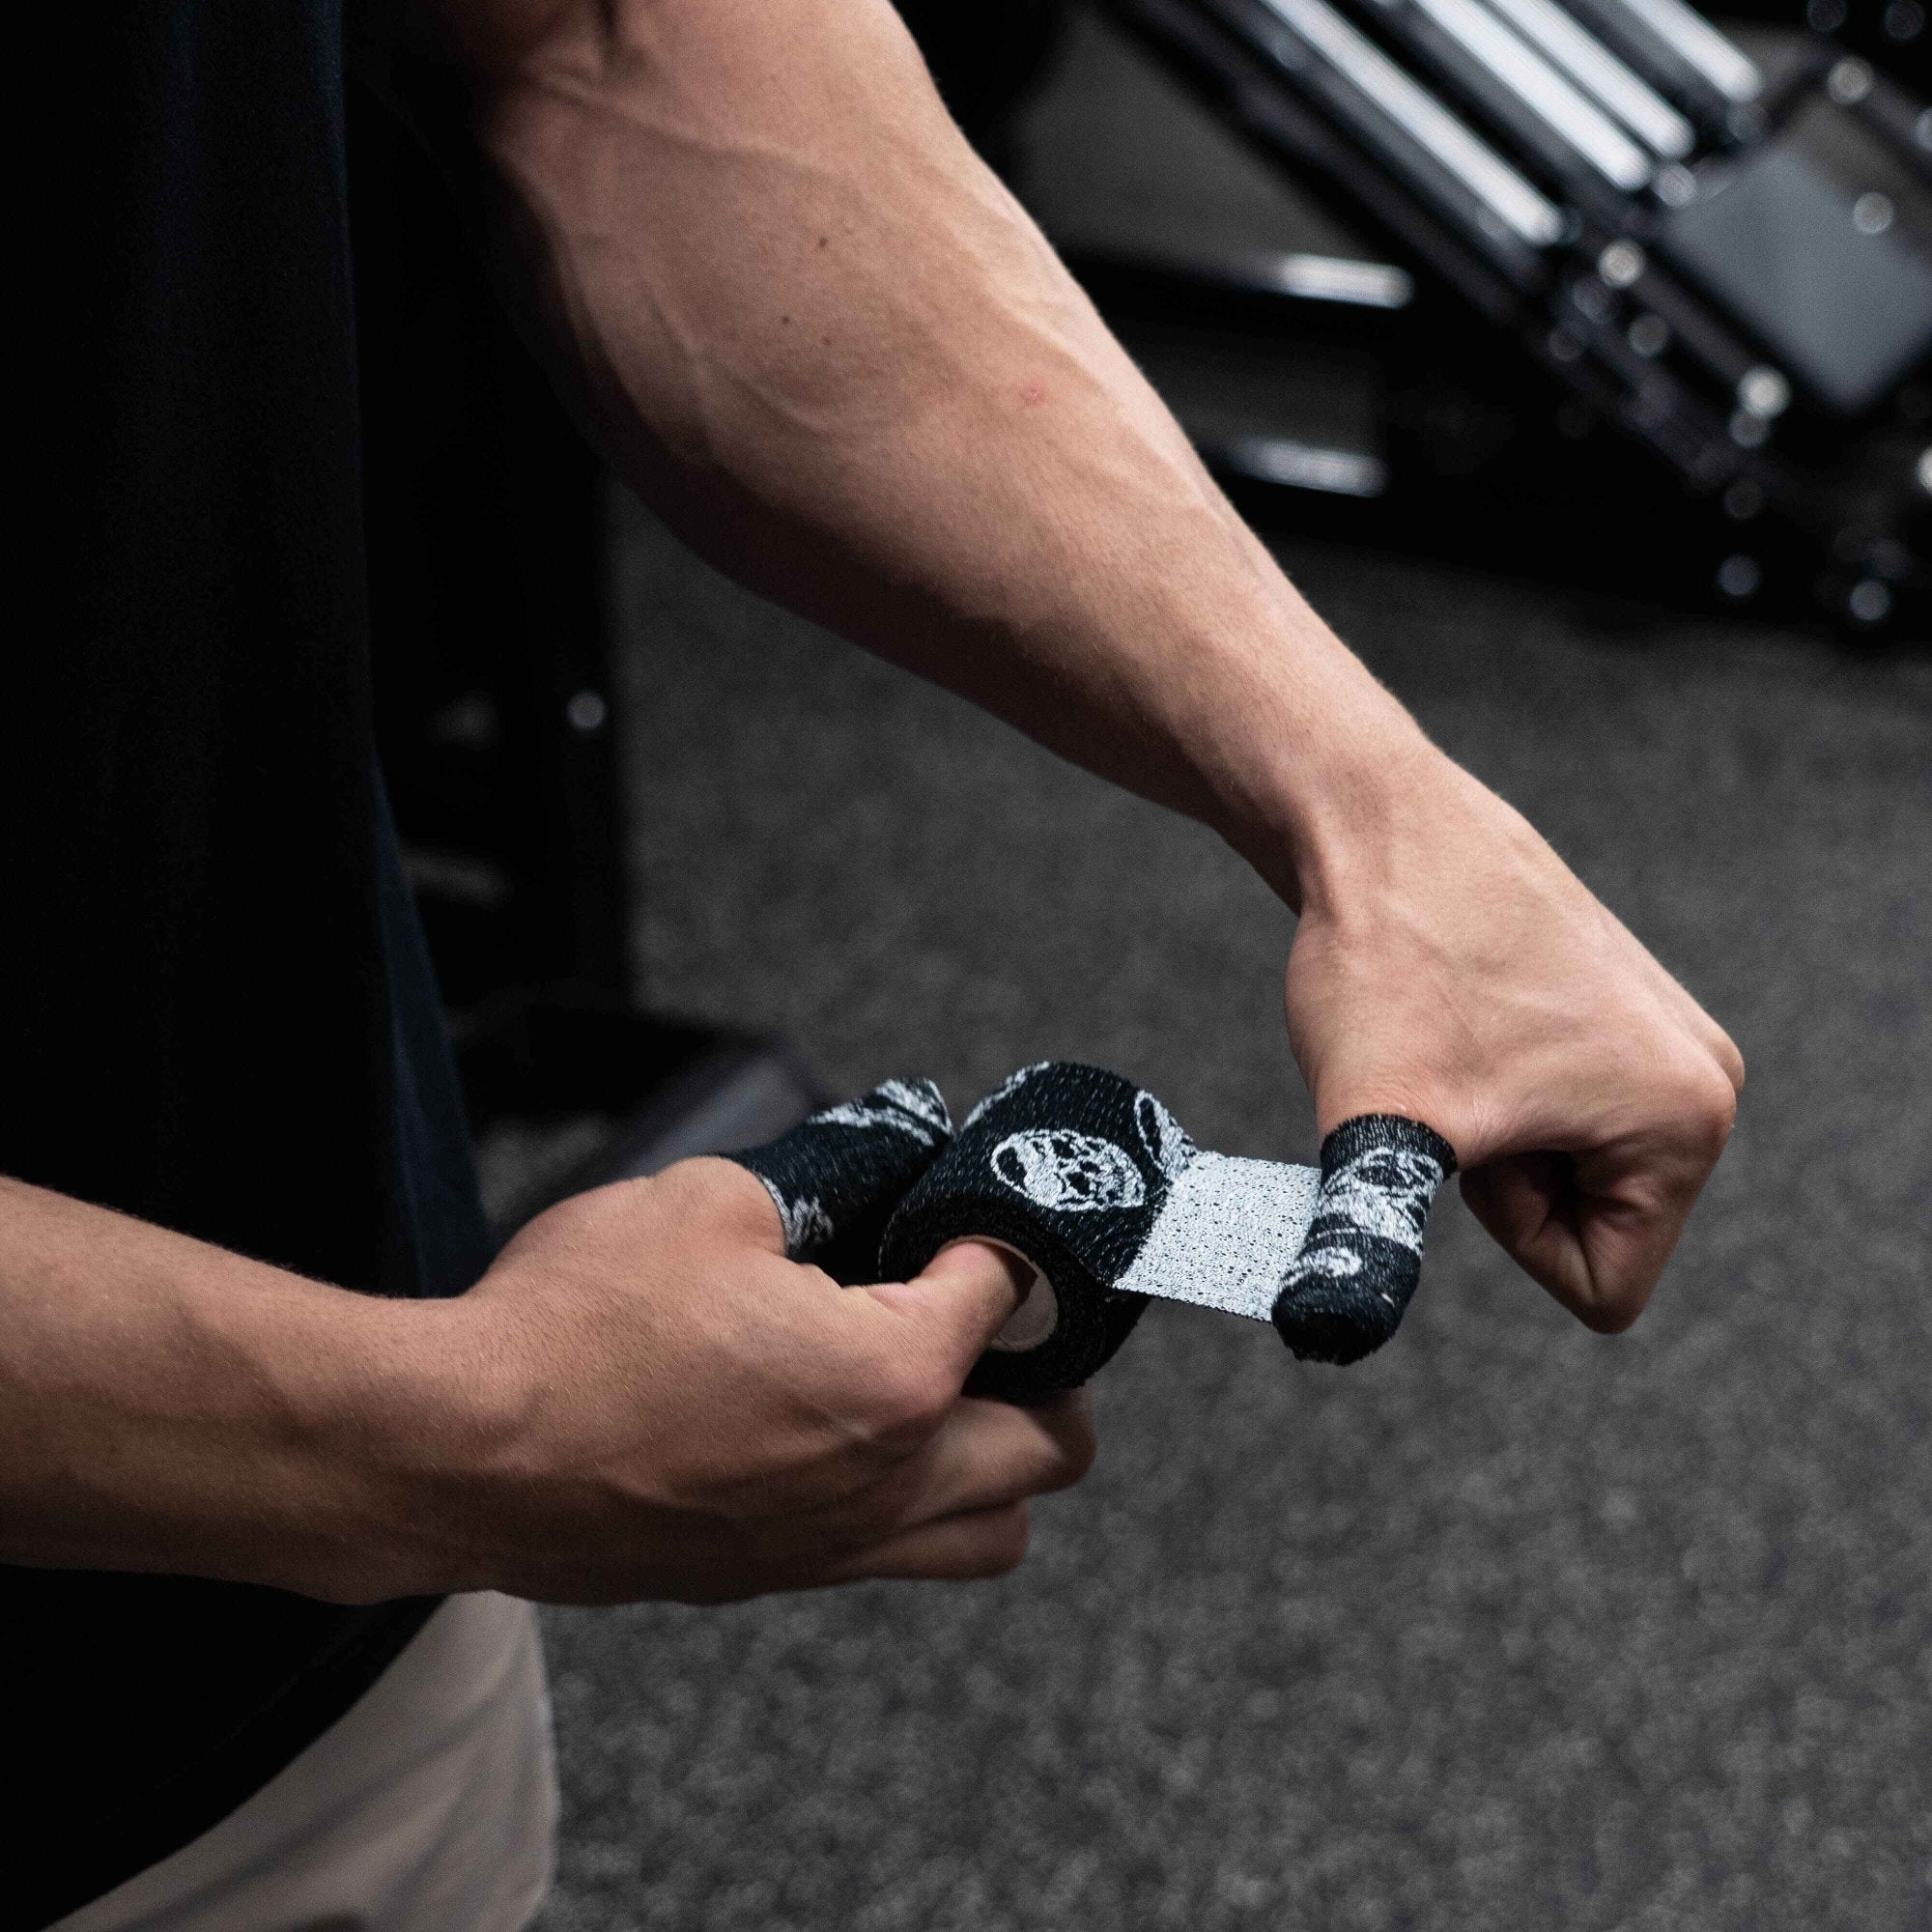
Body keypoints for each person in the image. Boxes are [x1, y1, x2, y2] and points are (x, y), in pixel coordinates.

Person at [8, 1, 1744, 1926]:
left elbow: (613, 48)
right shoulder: (430, 1447)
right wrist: (441, 1433)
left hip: (325, 1671)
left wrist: (1379, 811)